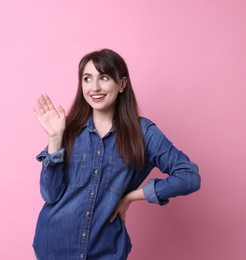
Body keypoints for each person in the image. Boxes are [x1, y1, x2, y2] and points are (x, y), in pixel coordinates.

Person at [32, 49, 201, 260]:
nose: (94, 87)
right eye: (87, 79)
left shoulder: (143, 133)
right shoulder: (68, 129)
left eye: (104, 77)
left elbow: (189, 177)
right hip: (54, 247)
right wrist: (55, 140)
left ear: (122, 84)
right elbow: (50, 195)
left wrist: (131, 196)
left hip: (106, 251)